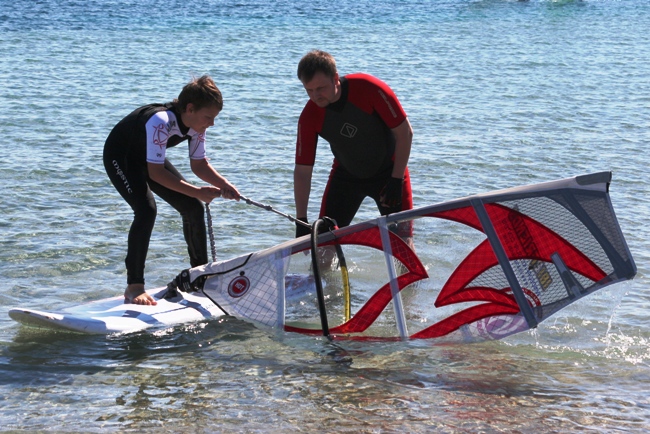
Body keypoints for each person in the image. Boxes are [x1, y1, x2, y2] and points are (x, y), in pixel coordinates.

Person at [103, 75, 239, 306]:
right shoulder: (161, 121)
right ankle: (134, 287)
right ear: (190, 108)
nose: (212, 123)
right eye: (209, 117)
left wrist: (223, 184)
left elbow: (199, 164)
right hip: (122, 157)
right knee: (146, 211)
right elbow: (156, 173)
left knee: (193, 207)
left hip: (148, 159)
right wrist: (197, 190)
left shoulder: (197, 125)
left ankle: (199, 276)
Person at [293, 50, 414, 243]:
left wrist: (396, 179)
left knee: (402, 245)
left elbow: (405, 133)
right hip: (346, 178)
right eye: (309, 90)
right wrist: (301, 219)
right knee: (324, 244)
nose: (315, 96)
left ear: (335, 78)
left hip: (389, 175)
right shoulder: (309, 116)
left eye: (321, 88)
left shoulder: (368, 88)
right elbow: (302, 171)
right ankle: (322, 274)